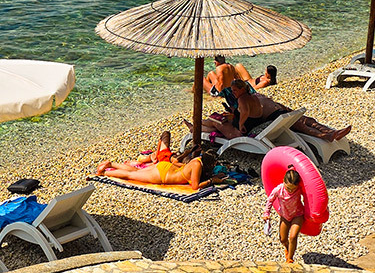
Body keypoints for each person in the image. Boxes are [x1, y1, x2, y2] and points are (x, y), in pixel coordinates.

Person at [190, 80, 350, 142]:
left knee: (303, 123)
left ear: (241, 89)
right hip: (274, 116)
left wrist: (240, 124)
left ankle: (328, 134)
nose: (233, 92)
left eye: (234, 90)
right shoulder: (249, 97)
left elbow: (245, 113)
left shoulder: (244, 99)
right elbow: (246, 111)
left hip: (273, 117)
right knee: (304, 122)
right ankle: (327, 133)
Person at [97, 151, 219, 191]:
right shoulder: (197, 165)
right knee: (131, 174)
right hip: (162, 175)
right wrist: (212, 181)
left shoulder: (197, 159)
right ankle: (104, 173)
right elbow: (195, 186)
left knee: (135, 171)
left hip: (166, 167)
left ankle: (111, 164)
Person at [264, 169, 307, 264]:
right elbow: (270, 200)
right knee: (283, 239)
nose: (290, 190)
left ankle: (290, 259)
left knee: (293, 236)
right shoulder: (279, 190)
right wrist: (266, 213)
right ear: (283, 181)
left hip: (297, 215)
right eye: (288, 188)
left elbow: (308, 197)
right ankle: (288, 248)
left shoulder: (299, 189)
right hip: (285, 216)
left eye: (293, 189)